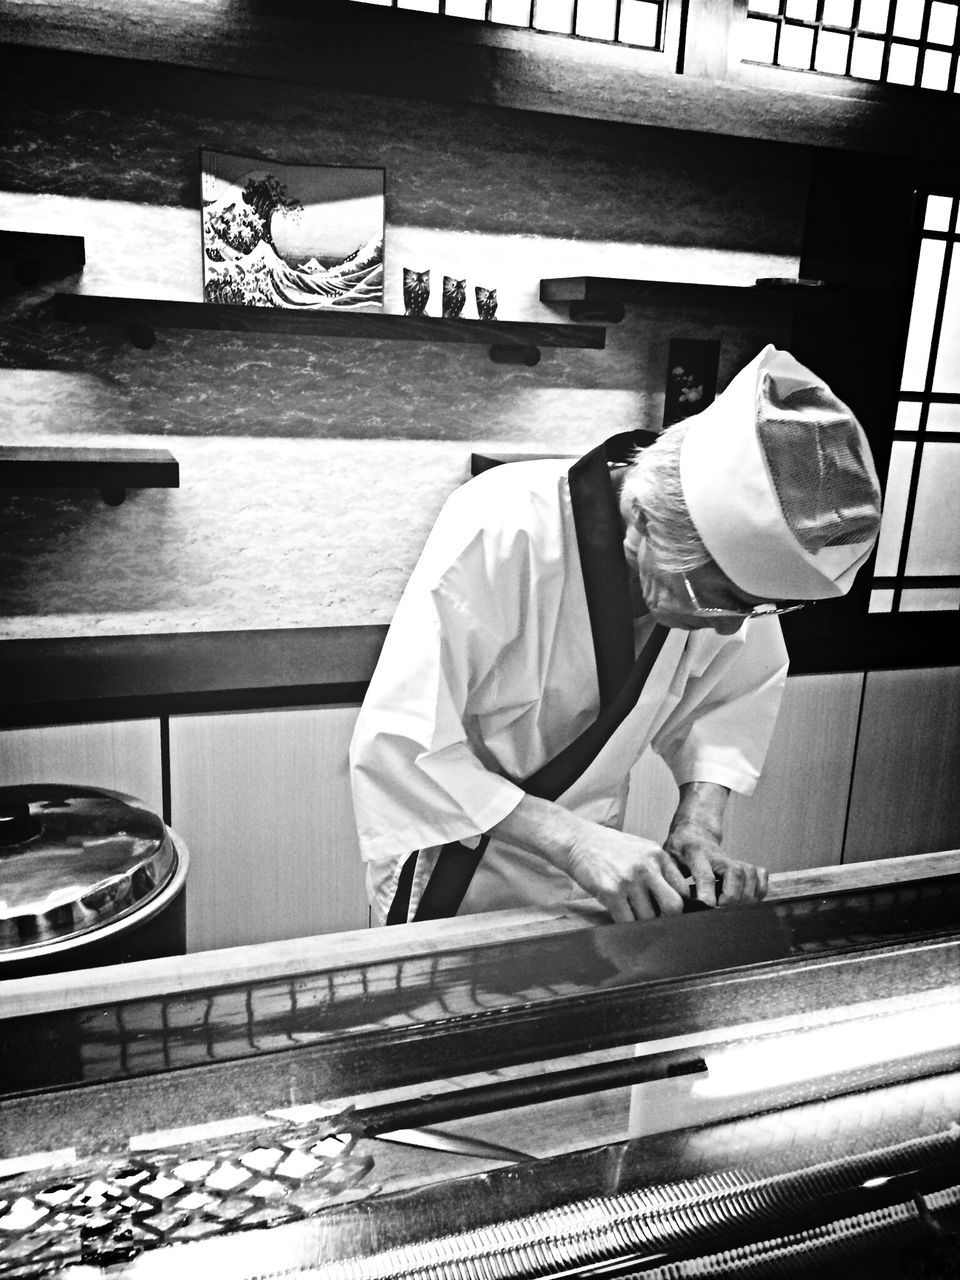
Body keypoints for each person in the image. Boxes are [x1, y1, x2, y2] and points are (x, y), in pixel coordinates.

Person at [349, 345, 882, 927]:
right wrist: (573, 843)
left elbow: (732, 696)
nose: (731, 626)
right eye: (720, 600)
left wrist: (698, 822)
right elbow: (404, 743)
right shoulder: (503, 523)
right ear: (647, 524)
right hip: (460, 853)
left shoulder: (710, 568)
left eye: (751, 609)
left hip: (601, 871)